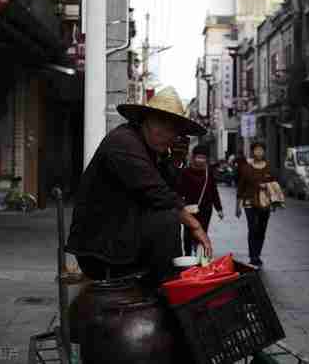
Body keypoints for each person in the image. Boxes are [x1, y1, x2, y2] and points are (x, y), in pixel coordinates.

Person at [66, 88, 212, 286]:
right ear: (145, 120)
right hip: (102, 247)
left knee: (168, 218)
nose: (169, 136)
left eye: (174, 131)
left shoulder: (153, 151)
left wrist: (175, 161)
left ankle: (169, 285)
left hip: (127, 237)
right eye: (163, 126)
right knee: (168, 219)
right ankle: (169, 287)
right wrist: (195, 225)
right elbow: (157, 193)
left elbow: (169, 190)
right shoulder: (124, 142)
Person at [175, 145, 223, 256]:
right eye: (198, 157)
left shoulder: (208, 172)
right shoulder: (185, 172)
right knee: (188, 233)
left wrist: (219, 208)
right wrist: (181, 205)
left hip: (206, 208)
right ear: (193, 157)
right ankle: (187, 255)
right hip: (189, 208)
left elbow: (213, 191)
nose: (200, 160)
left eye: (203, 157)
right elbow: (179, 190)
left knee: (202, 232)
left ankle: (200, 256)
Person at [235, 142, 275, 269]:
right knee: (252, 229)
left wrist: (274, 201)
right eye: (256, 150)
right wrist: (238, 206)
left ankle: (257, 254)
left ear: (264, 152)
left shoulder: (269, 167)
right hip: (249, 202)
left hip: (265, 203)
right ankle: (253, 257)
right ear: (252, 152)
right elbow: (241, 187)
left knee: (261, 229)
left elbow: (274, 185)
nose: (258, 152)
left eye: (261, 150)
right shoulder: (246, 168)